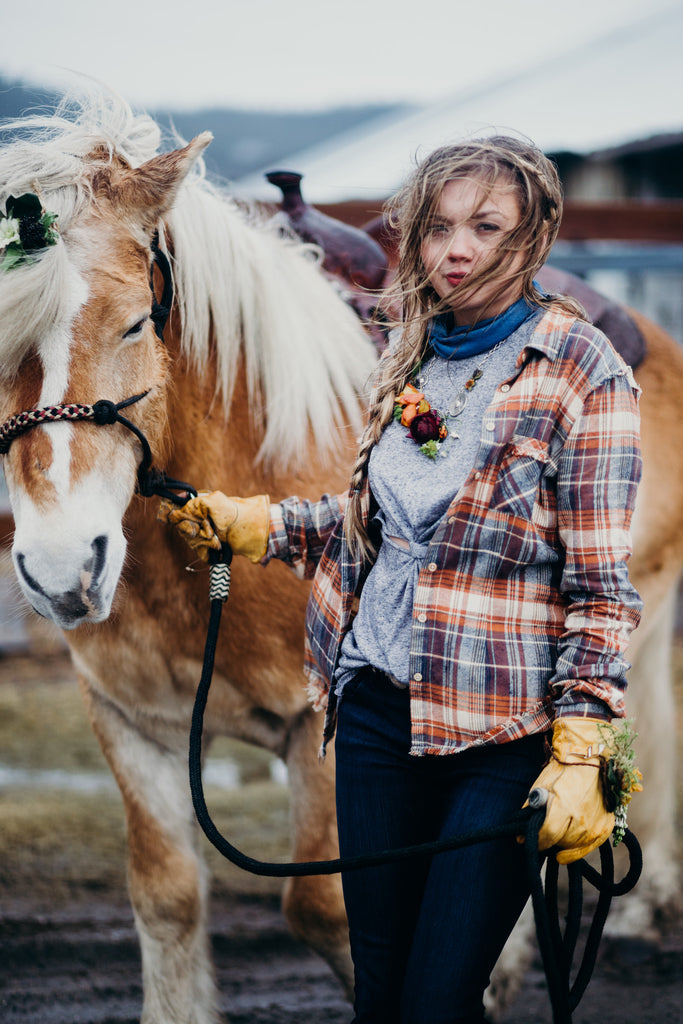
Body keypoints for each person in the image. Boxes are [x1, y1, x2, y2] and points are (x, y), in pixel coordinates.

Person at [160, 136, 643, 1024]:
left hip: (501, 732)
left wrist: (582, 748)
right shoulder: (409, 359)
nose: (455, 249)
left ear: (532, 235)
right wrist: (263, 524)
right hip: (377, 711)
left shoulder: (581, 373)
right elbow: (388, 529)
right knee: (379, 990)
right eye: (437, 227)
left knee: (435, 999)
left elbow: (599, 588)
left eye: (485, 227)